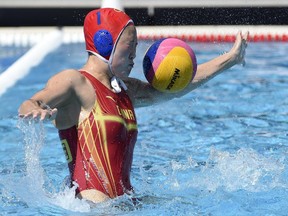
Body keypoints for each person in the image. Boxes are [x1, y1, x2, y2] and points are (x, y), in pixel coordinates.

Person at [18, 8, 248, 203]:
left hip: (126, 204)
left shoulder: (124, 89)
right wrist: (36, 109)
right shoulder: (75, 82)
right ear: (105, 43)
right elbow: (30, 103)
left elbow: (176, 88)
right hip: (92, 209)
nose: (134, 57)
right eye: (130, 47)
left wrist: (230, 59)